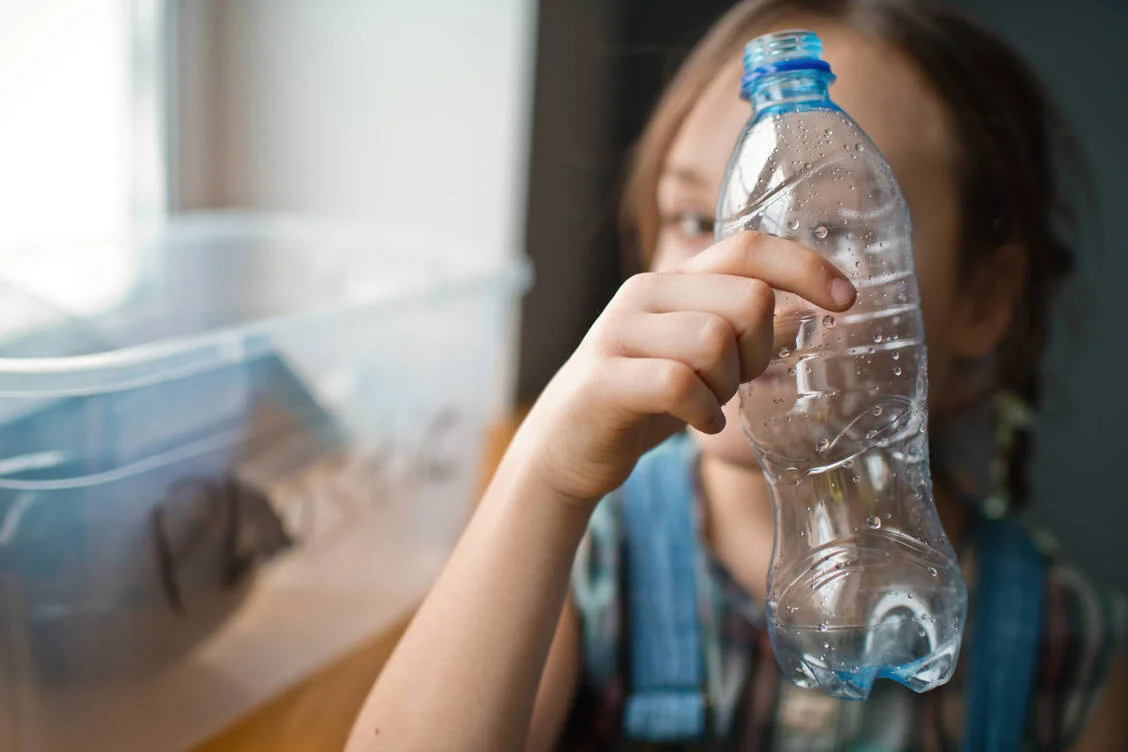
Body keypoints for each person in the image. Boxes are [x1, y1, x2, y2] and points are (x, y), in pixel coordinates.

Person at [346, 1, 1127, 749]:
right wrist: (545, 478)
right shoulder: (586, 559)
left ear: (985, 299)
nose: (742, 285)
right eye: (696, 221)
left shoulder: (1069, 646)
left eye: (828, 230)